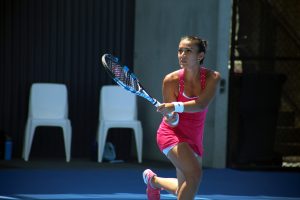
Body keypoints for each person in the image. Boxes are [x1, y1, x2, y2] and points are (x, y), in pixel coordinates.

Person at [142, 36, 221, 200]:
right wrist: (171, 116)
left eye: (188, 51)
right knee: (195, 175)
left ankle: (153, 181)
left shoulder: (213, 78)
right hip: (171, 134)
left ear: (200, 56)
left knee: (184, 190)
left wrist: (174, 106)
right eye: (180, 50)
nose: (182, 55)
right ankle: (153, 182)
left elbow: (201, 105)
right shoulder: (170, 81)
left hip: (194, 138)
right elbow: (173, 120)